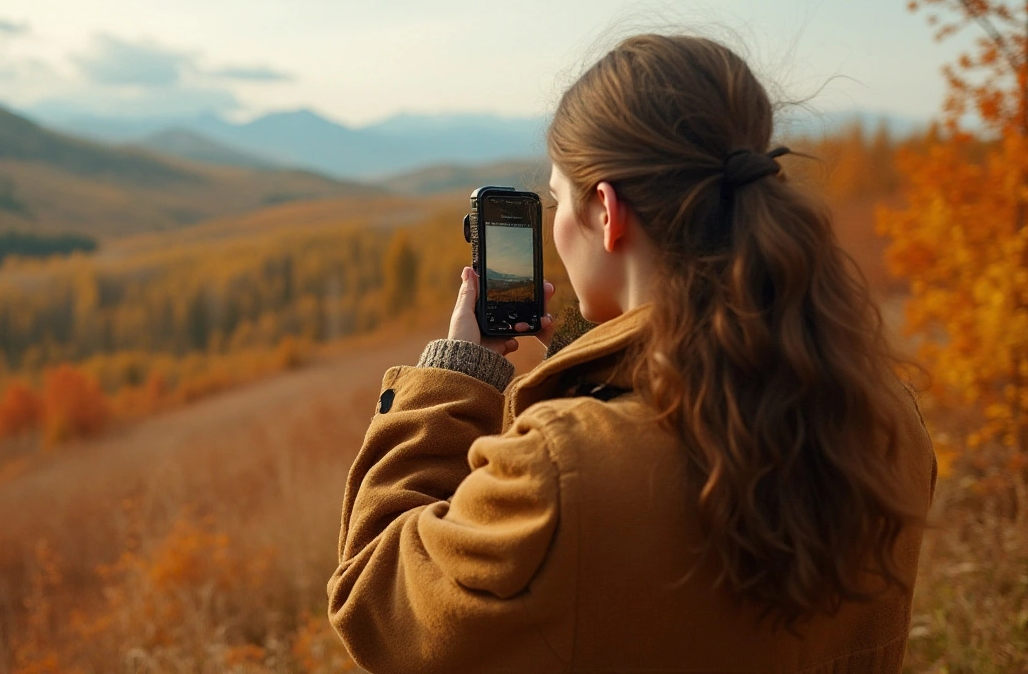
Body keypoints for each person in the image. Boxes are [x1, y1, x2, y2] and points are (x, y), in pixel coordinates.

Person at [326, 34, 937, 673]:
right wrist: (581, 362)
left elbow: (380, 606)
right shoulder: (887, 414)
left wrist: (455, 373)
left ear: (609, 211)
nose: (559, 225)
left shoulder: (564, 468)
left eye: (561, 200)